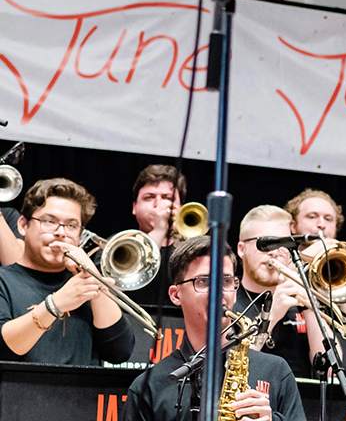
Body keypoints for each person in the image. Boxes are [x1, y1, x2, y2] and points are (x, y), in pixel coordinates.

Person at [124, 235, 306, 421]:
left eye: (226, 281)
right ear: (175, 295)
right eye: (204, 281)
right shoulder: (148, 388)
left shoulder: (276, 371)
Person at [0, 178, 134, 364]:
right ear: (23, 225)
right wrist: (55, 304)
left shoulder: (86, 282)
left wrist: (93, 277)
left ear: (80, 235)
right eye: (49, 221)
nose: (61, 232)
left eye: (71, 225)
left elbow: (119, 353)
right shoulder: (3, 280)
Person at [234, 205, 328, 378]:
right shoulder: (227, 299)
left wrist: (310, 306)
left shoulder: (299, 297)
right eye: (266, 244)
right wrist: (272, 315)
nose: (275, 252)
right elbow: (231, 368)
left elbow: (330, 370)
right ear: (242, 249)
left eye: (283, 244)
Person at [284, 188, 346, 323]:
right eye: (312, 217)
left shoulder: (339, 264)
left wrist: (344, 279)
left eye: (328, 219)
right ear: (293, 226)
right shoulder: (278, 257)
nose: (322, 225)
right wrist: (306, 256)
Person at [126, 164, 186, 306]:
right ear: (134, 207)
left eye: (167, 198)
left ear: (181, 207)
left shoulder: (194, 250)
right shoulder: (117, 244)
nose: (158, 204)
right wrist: (159, 230)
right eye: (149, 197)